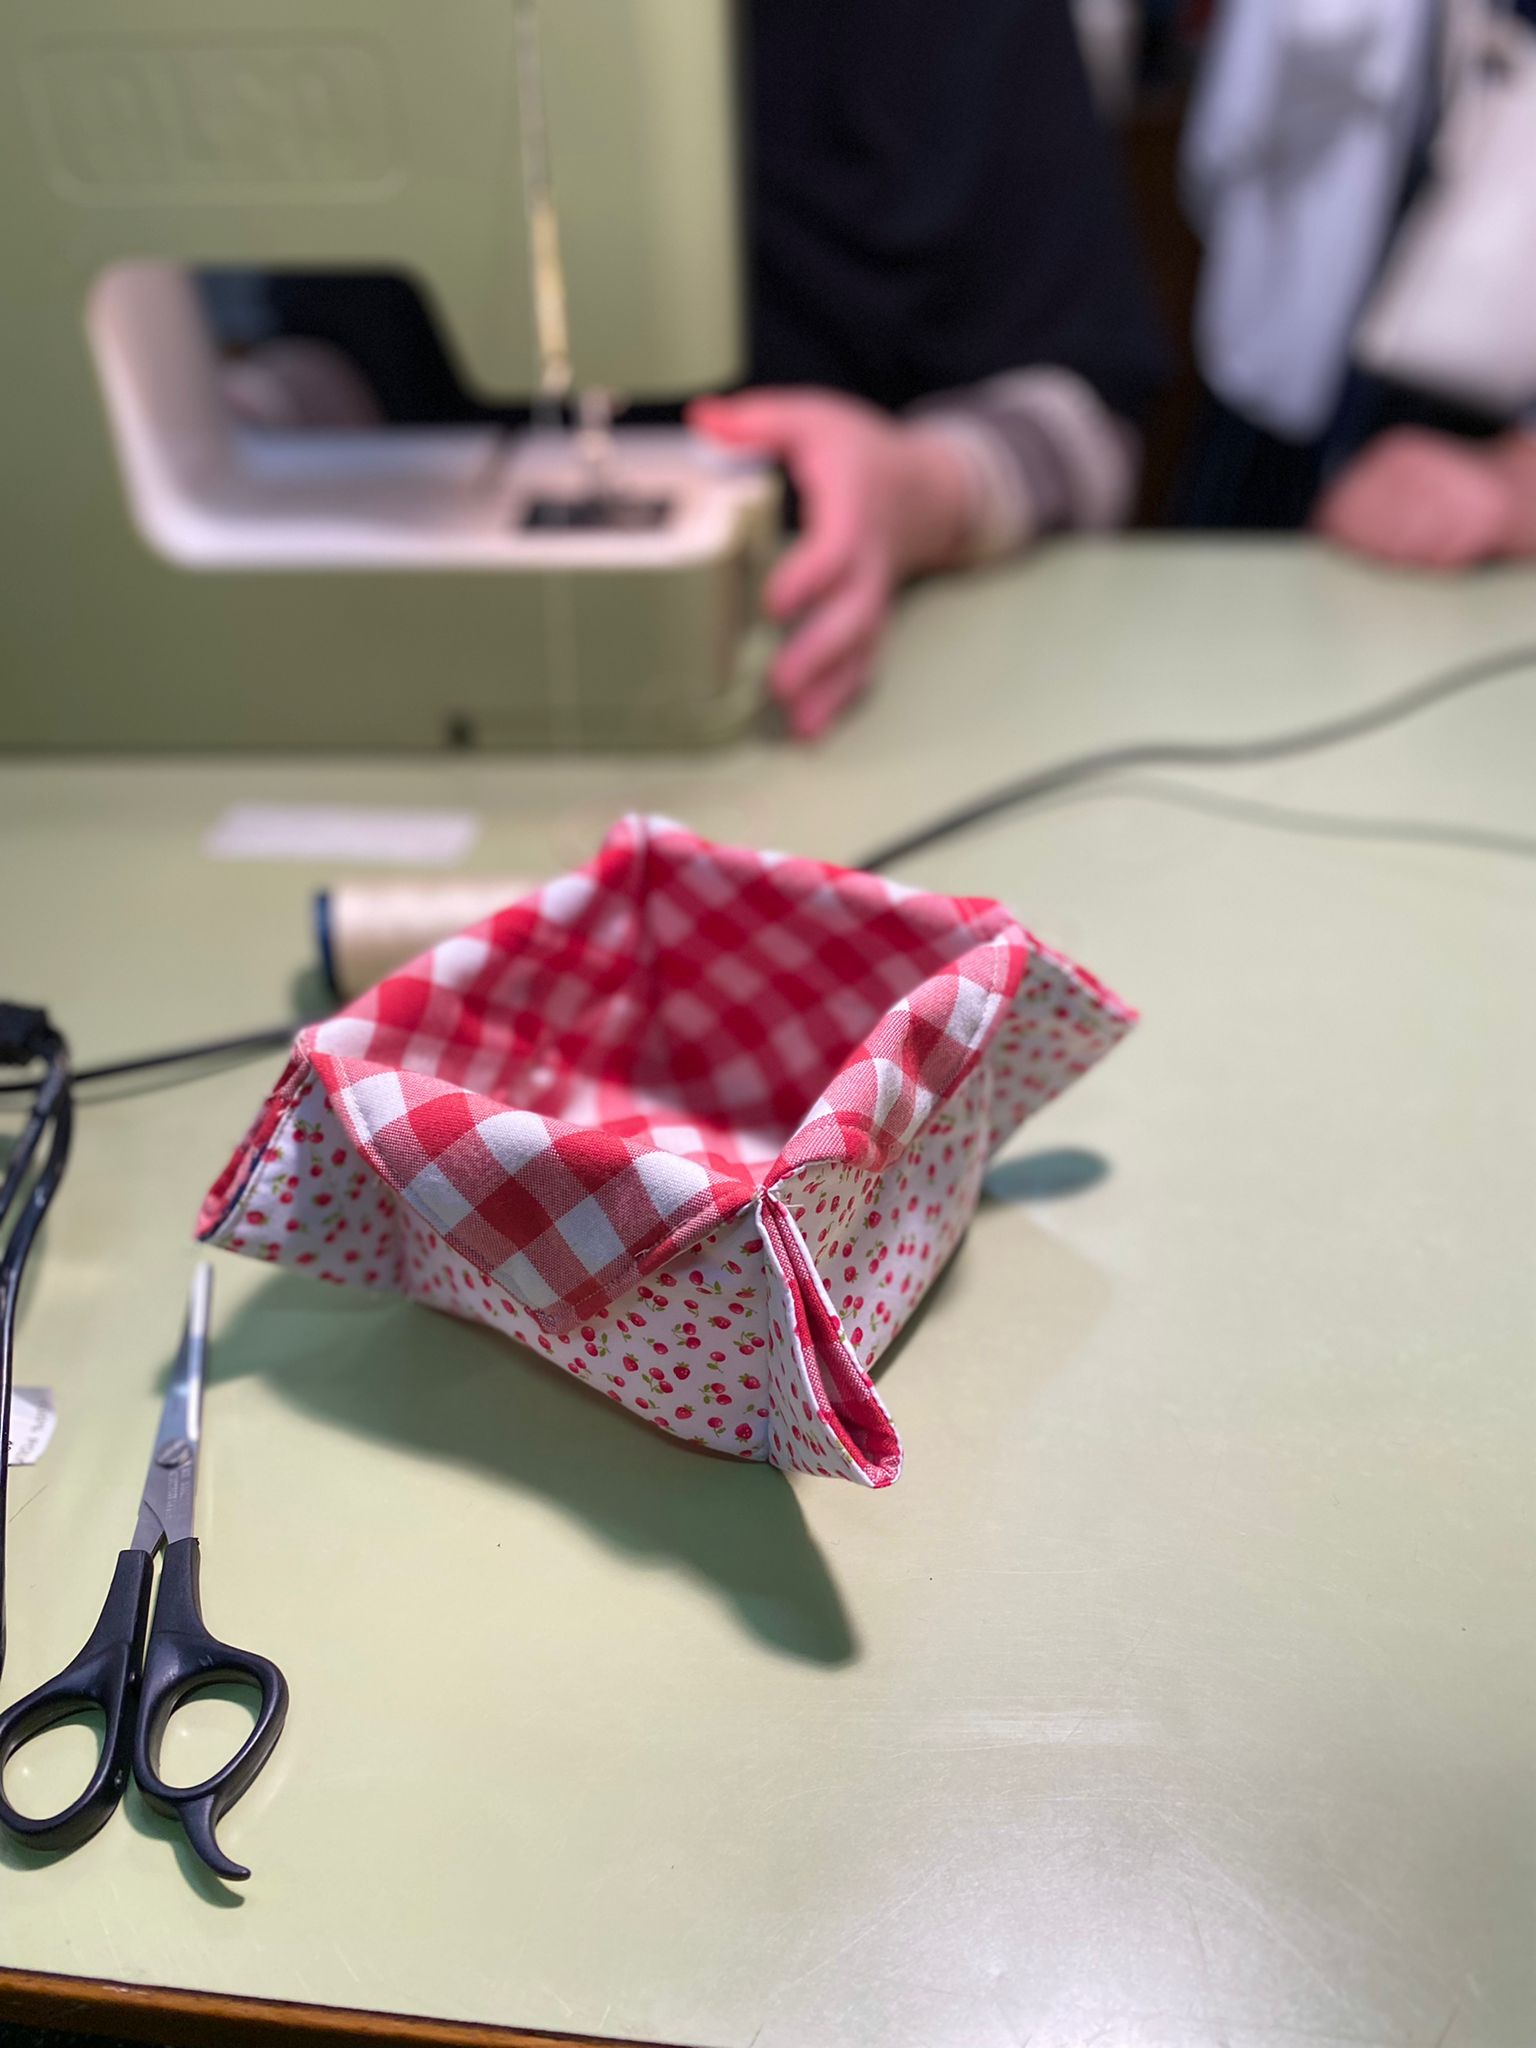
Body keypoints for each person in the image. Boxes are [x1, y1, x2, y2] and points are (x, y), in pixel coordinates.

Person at [214, 0, 1168, 737]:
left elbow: (1090, 416)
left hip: (856, 696)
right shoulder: (385, 42)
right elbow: (353, 359)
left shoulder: (942, 31)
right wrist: (208, 436)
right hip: (423, 678)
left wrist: (920, 486)